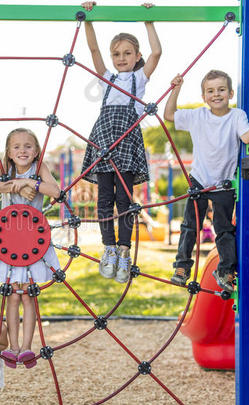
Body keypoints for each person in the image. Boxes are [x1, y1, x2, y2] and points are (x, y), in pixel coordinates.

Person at [164, 70, 249, 293]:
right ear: (204, 96)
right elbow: (169, 115)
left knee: (223, 229)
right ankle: (182, 267)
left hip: (223, 184)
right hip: (199, 180)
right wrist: (176, 89)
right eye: (210, 91)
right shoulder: (198, 116)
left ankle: (225, 270)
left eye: (221, 90)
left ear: (230, 93)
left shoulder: (237, 116)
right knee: (190, 226)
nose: (216, 94)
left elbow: (247, 137)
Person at [79, 2, 162, 283]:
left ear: (137, 55)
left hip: (126, 141)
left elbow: (158, 52)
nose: (121, 58)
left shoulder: (140, 78)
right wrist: (88, 19)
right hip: (104, 140)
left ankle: (124, 251)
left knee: (124, 199)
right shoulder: (107, 78)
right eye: (116, 54)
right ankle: (109, 248)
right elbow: (93, 50)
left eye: (127, 53)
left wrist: (148, 19)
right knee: (104, 199)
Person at [0, 128, 61, 369]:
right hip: (9, 242)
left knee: (28, 296)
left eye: (28, 146)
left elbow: (55, 191)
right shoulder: (7, 170)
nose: (22, 150)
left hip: (32, 243)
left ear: (36, 151)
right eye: (16, 146)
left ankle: (27, 347)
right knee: (11, 297)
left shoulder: (40, 169)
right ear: (8, 152)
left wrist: (30, 182)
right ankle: (13, 348)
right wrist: (14, 185)